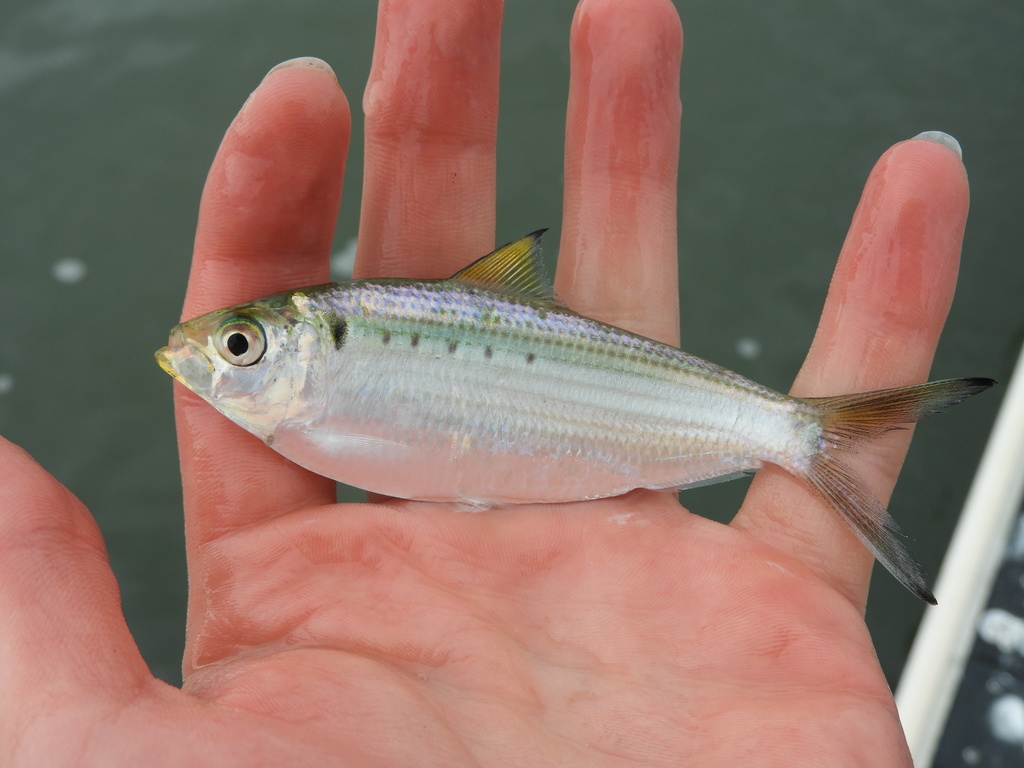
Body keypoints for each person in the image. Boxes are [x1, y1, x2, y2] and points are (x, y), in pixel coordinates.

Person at [0, 0, 969, 764]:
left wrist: (794, 432)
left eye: (240, 348)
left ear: (307, 347)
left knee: (799, 429)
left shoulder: (326, 389)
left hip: (661, 428)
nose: (213, 364)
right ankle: (803, 436)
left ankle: (806, 438)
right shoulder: (305, 412)